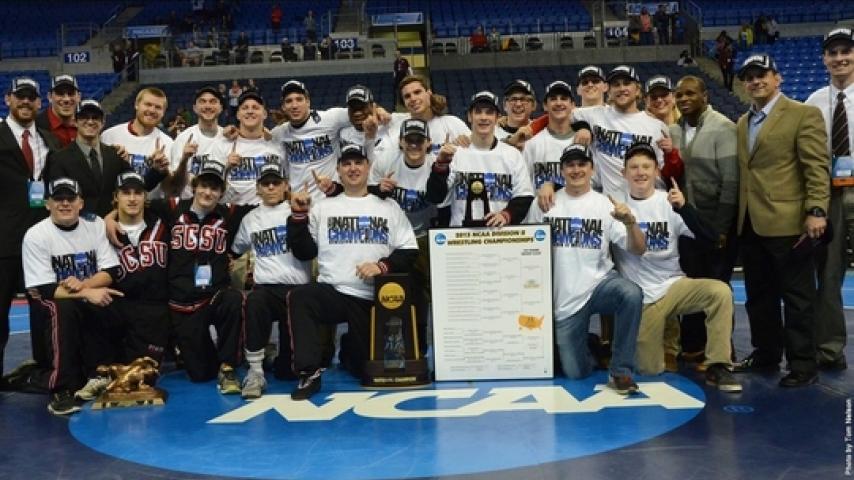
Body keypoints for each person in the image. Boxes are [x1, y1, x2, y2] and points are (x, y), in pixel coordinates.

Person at [285, 144, 418, 400]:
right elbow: (304, 252)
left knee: (362, 368)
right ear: (338, 170)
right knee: (302, 296)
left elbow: (409, 250)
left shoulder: (388, 206)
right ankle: (309, 372)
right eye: (346, 164)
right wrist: (298, 216)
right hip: (334, 292)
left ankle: (348, 350)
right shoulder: (323, 207)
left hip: (372, 300)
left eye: (358, 163)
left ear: (368, 168)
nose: (353, 168)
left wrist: (381, 266)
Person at [734, 54, 830, 387]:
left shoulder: (803, 114)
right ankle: (766, 353)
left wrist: (816, 210)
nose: (755, 81)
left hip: (789, 222)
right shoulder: (743, 122)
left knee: (797, 297)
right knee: (759, 296)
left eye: (762, 74)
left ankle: (803, 364)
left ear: (778, 78)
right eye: (749, 77)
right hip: (750, 222)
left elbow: (816, 166)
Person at [613, 142, 741, 391]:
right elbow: (633, 248)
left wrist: (685, 209)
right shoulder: (617, 207)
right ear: (624, 173)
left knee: (720, 292)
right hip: (642, 297)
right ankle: (664, 339)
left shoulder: (669, 201)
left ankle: (718, 365)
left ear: (656, 171)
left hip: (673, 286)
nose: (640, 172)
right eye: (634, 167)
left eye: (646, 167)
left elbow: (712, 240)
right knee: (649, 369)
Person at [526, 143, 643, 393]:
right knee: (575, 372)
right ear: (562, 170)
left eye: (582, 164)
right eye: (570, 165)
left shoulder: (606, 205)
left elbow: (638, 249)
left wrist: (631, 223)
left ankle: (621, 371)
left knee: (631, 294)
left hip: (599, 285)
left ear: (592, 169)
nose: (576, 169)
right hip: (564, 299)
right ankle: (591, 345)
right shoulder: (544, 203)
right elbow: (526, 246)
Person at [22, 177, 123, 414]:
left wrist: (85, 286)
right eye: (58, 198)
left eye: (71, 198)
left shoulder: (95, 225)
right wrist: (87, 292)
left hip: (81, 289)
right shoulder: (36, 235)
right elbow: (45, 289)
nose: (65, 203)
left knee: (111, 298)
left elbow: (110, 271)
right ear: (47, 204)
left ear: (81, 203)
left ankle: (99, 372)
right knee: (62, 309)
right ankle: (61, 387)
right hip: (49, 298)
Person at [73, 171, 173, 402]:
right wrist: (109, 219)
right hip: (118, 303)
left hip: (153, 310)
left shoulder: (162, 218)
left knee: (142, 375)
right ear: (115, 197)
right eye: (125, 193)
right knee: (93, 305)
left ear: (145, 197)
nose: (132, 198)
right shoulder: (99, 229)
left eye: (138, 193)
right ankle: (97, 374)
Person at [158, 160, 252, 392]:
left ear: (221, 192)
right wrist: (110, 217)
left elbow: (268, 208)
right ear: (194, 186)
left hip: (215, 295)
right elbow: (135, 204)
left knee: (234, 300)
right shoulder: (172, 208)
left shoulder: (230, 213)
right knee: (200, 374)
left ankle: (228, 366)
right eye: (204, 186)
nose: (208, 193)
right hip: (182, 301)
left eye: (214, 188)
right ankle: (205, 356)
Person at [667, 75, 738, 368]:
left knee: (717, 286)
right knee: (693, 283)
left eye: (690, 94)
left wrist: (721, 229)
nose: (684, 99)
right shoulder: (673, 130)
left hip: (714, 223)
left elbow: (731, 182)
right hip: (687, 223)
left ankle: (721, 352)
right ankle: (694, 346)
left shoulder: (723, 127)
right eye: (679, 94)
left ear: (705, 96)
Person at [0, 78, 61, 388]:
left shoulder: (49, 140)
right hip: (3, 240)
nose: (25, 102)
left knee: (45, 309)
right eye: (19, 96)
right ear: (8, 99)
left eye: (31, 97)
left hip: (40, 240)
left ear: (40, 102)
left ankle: (46, 372)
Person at [231, 163, 310, 398]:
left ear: (286, 186)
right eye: (266, 183)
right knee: (253, 301)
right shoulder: (250, 219)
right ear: (258, 188)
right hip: (265, 288)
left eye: (276, 182)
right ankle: (255, 371)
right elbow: (236, 250)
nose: (272, 187)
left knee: (288, 372)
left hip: (297, 289)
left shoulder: (299, 209)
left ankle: (286, 361)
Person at [805, 28, 854, 371]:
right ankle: (829, 349)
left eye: (846, 51)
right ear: (824, 59)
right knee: (829, 273)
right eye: (832, 53)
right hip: (830, 194)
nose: (839, 58)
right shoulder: (814, 101)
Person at [425, 91, 534, 227]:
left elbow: (524, 196)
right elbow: (435, 197)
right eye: (478, 112)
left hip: (501, 235)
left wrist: (506, 215)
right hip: (461, 236)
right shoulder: (455, 154)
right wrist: (441, 164)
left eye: (489, 112)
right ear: (469, 117)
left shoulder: (512, 155)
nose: (483, 117)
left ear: (497, 118)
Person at [44, 100, 163, 217]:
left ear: (103, 122)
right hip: (77, 225)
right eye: (84, 117)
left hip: (113, 224)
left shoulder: (115, 155)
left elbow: (137, 186)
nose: (90, 121)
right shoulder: (59, 159)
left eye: (95, 117)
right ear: (75, 121)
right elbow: (58, 199)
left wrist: (156, 170)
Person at [563, 65, 667, 198]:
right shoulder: (596, 115)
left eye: (627, 83)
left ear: (637, 90)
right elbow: (561, 115)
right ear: (609, 90)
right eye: (616, 85)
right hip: (611, 203)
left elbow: (661, 170)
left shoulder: (655, 126)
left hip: (646, 200)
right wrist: (583, 127)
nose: (622, 88)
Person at [271, 80, 359, 201]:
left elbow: (362, 112)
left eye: (299, 99)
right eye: (289, 101)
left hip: (331, 198)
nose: (294, 105)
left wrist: (379, 112)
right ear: (283, 107)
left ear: (308, 102)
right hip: (299, 201)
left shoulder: (330, 119)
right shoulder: (279, 132)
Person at [100, 87, 173, 192]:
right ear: (136, 105)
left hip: (152, 201)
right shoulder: (109, 136)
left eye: (158, 107)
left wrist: (163, 170)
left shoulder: (168, 143)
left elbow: (171, 188)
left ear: (163, 112)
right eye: (148, 104)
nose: (152, 110)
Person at [164, 86, 226, 199]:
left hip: (221, 204)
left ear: (221, 107)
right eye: (202, 101)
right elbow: (175, 186)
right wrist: (184, 160)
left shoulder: (229, 137)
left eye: (213, 101)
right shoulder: (183, 138)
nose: (207, 106)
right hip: (189, 204)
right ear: (195, 108)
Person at [390, 76, 471, 155]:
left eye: (417, 92)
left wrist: (466, 143)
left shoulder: (452, 123)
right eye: (407, 96)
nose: (413, 99)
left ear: (429, 93)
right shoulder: (396, 122)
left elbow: (475, 148)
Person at [523, 81, 576, 194]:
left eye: (563, 98)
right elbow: (524, 186)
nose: (558, 103)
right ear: (545, 106)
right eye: (553, 99)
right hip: (541, 205)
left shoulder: (583, 140)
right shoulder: (532, 143)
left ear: (572, 105)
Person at [35, 75, 80, 148]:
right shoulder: (35, 126)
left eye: (71, 94)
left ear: (79, 97)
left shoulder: (88, 125)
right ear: (49, 97)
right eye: (60, 94)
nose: (66, 99)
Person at [495, 79, 537, 149]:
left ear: (533, 105)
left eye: (523, 99)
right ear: (504, 105)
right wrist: (511, 142)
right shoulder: (492, 132)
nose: (518, 104)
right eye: (513, 99)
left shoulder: (541, 132)